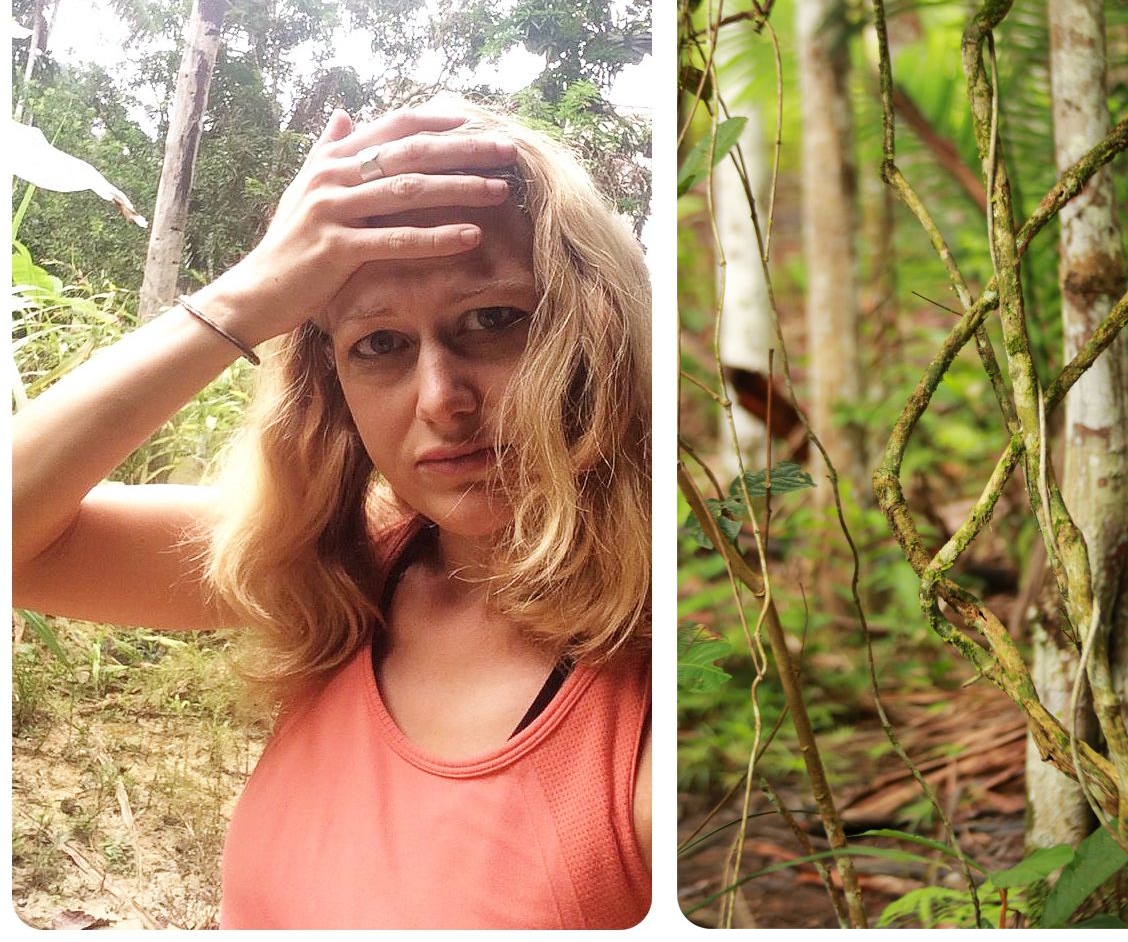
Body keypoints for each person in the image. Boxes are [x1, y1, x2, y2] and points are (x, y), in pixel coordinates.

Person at [12, 97, 652, 929]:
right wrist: (247, 295)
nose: (441, 399)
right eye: (378, 343)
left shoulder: (669, 684)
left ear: (593, 335)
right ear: (335, 392)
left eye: (493, 320)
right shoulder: (340, 564)